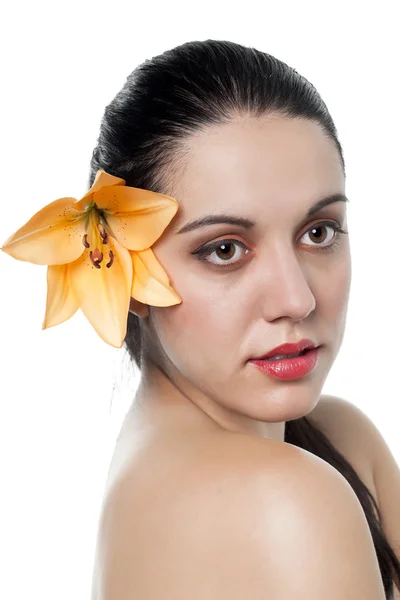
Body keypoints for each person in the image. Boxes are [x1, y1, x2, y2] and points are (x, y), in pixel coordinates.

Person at [3, 39, 398, 598]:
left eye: (318, 232)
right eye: (224, 250)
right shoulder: (284, 499)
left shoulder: (334, 441)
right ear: (121, 272)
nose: (296, 300)